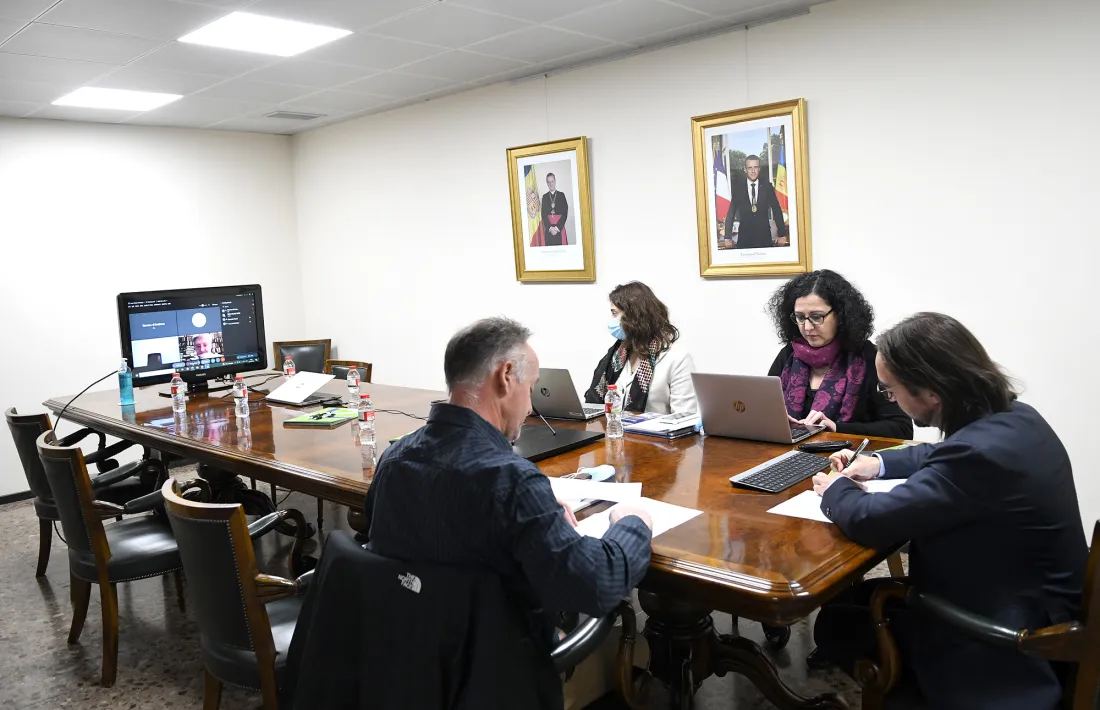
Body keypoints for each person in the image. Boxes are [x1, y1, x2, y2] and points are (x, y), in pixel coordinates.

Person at [362, 317, 654, 708]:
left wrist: (539, 510)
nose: (531, 404)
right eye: (530, 387)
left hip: (408, 668)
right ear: (505, 377)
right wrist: (632, 523)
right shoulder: (511, 481)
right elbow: (597, 584)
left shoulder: (395, 458)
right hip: (497, 676)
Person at [809, 312, 1087, 710]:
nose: (891, 400)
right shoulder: (1015, 418)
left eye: (891, 391)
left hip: (1006, 640)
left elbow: (872, 520)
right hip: (1031, 596)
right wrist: (880, 463)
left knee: (837, 623)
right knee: (847, 603)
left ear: (931, 392)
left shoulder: (978, 454)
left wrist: (835, 490)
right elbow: (941, 453)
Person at [765, 270, 912, 439]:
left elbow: (902, 429)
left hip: (850, 460)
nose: (807, 327)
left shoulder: (870, 358)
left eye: (816, 317)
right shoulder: (788, 355)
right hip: (792, 458)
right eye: (800, 317)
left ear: (841, 315)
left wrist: (837, 428)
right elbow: (766, 413)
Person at [584, 281, 697, 415]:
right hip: (613, 432)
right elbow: (594, 404)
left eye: (616, 313)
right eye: (613, 313)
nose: (613, 320)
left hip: (655, 435)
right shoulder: (615, 355)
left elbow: (684, 417)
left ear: (638, 317)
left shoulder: (677, 358)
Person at [724, 154, 787, 249]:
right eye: (750, 168)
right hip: (744, 241)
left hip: (764, 240)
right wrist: (727, 237)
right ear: (745, 169)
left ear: (759, 169)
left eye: (756, 167)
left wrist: (782, 234)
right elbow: (731, 213)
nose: (753, 171)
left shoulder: (767, 187)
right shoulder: (738, 189)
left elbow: (776, 210)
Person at [540, 172, 569, 247]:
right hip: (549, 230)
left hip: (559, 228)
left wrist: (557, 228)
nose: (551, 184)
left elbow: (565, 213)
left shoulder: (561, 195)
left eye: (552, 181)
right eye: (549, 182)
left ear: (555, 181)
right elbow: (543, 214)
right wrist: (550, 228)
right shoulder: (545, 197)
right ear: (547, 183)